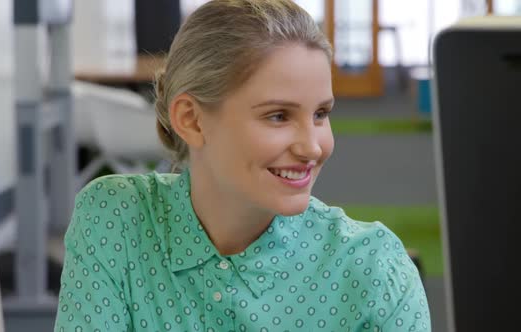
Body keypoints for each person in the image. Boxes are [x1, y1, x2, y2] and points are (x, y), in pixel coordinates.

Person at [54, 0, 431, 331]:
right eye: (278, 116)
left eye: (320, 113)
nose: (312, 146)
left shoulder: (375, 270)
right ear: (192, 120)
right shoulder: (116, 219)